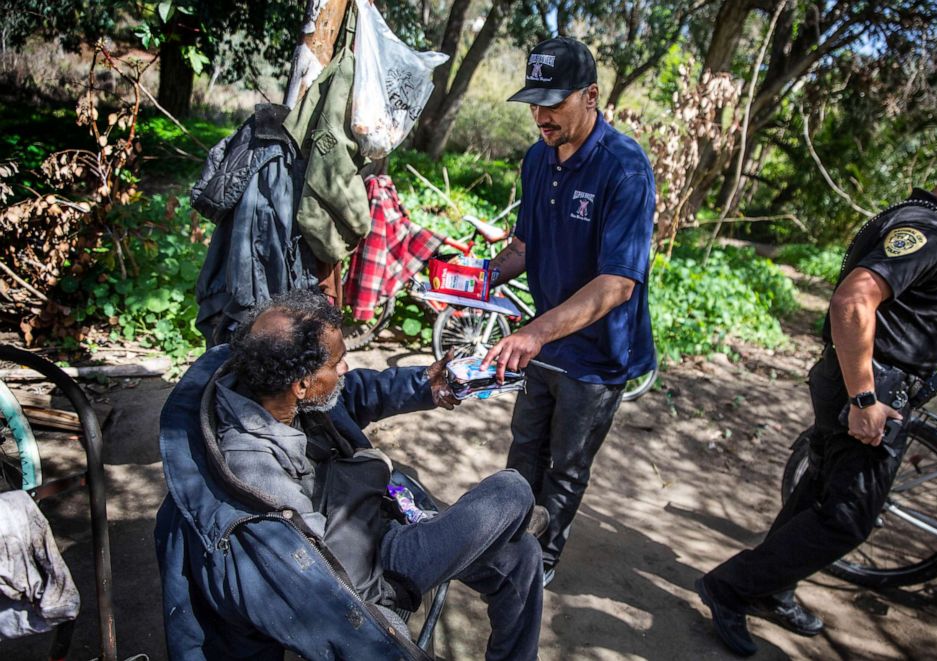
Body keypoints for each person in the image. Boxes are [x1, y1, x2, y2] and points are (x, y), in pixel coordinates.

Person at [695, 136, 937, 656]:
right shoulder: (926, 230)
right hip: (871, 389)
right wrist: (864, 400)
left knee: (818, 494)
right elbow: (853, 301)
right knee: (849, 517)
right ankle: (731, 588)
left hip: (856, 379)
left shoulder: (917, 217)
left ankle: (772, 587)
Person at [158, 288, 545, 661]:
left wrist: (427, 383)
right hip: (371, 572)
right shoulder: (254, 473)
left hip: (374, 517)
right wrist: (381, 629)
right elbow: (326, 588)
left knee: (521, 555)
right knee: (511, 490)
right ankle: (504, 523)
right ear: (303, 384)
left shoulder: (274, 389)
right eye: (336, 363)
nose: (344, 367)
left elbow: (356, 391)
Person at [481, 37, 657, 586]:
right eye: (534, 102)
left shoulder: (624, 170)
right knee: (524, 449)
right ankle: (508, 536)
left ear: (591, 96)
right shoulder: (538, 158)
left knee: (566, 465)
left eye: (553, 103)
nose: (540, 116)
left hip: (598, 355)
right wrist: (478, 275)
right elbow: (526, 245)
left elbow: (617, 283)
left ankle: (543, 556)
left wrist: (533, 333)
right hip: (546, 343)